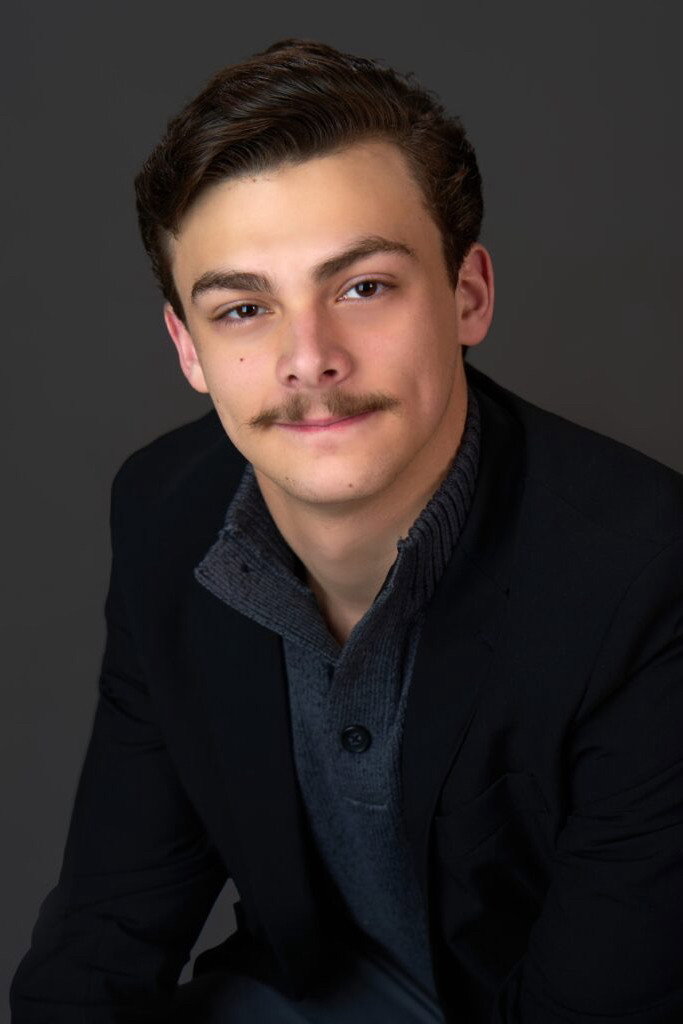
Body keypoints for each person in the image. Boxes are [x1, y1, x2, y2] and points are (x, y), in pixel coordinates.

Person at [10, 36, 683, 1024]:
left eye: (362, 287)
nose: (308, 358)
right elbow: (105, 929)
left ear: (466, 295)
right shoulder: (164, 510)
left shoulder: (645, 571)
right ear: (187, 349)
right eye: (244, 308)